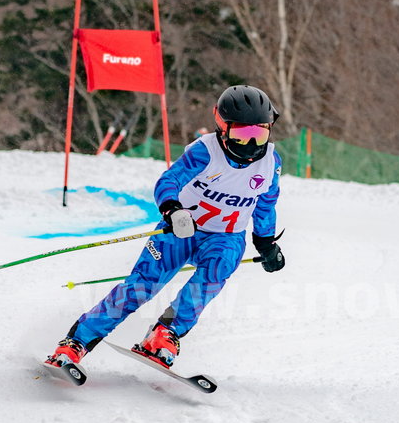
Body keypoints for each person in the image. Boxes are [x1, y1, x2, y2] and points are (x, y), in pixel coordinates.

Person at [46, 84, 286, 370]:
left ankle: (164, 334)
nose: (251, 145)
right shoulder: (205, 152)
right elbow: (168, 181)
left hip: (226, 237)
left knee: (211, 279)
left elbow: (266, 204)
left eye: (259, 134)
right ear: (222, 126)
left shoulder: (270, 163)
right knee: (141, 287)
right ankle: (77, 342)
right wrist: (172, 209)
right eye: (242, 135)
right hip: (181, 230)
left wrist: (266, 243)